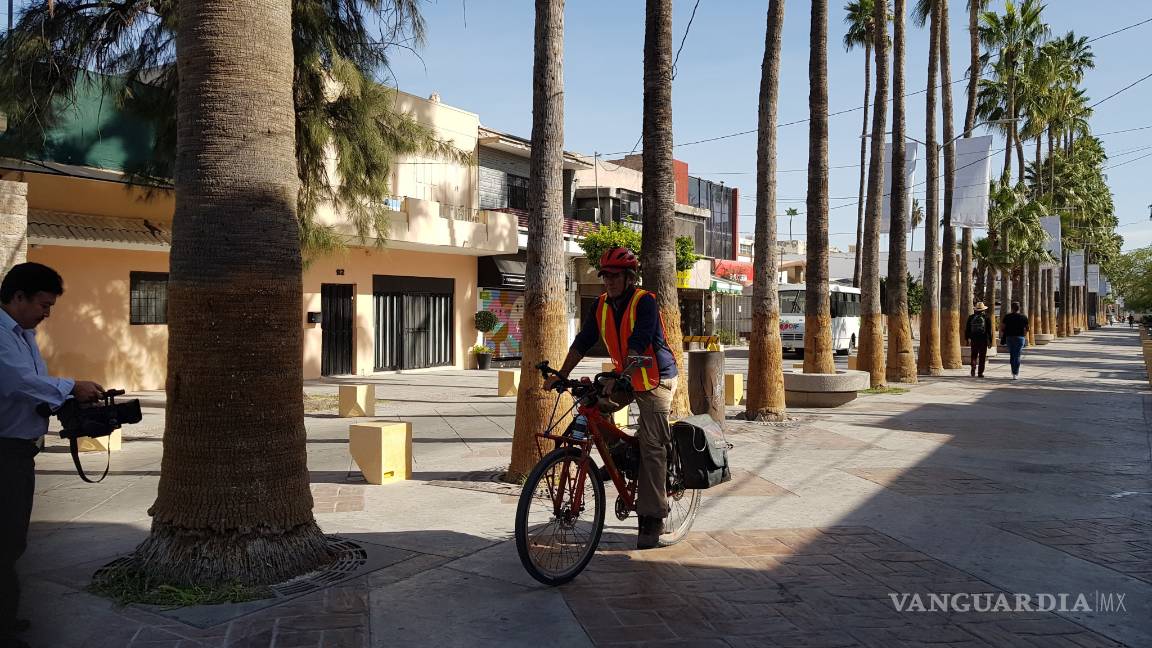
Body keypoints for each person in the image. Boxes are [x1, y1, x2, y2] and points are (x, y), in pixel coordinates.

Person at [0, 263, 103, 647]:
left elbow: (31, 390)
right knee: (5, 541)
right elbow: (18, 382)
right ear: (18, 297)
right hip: (4, 453)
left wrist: (70, 404)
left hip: (18, 453)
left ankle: (6, 617)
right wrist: (71, 387)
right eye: (43, 304)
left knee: (11, 541)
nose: (47, 313)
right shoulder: (2, 335)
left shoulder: (22, 335)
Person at [548, 247, 678, 549]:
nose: (609, 282)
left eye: (615, 276)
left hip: (656, 377)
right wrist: (560, 374)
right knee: (592, 408)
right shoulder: (601, 305)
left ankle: (652, 517)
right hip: (625, 375)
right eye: (605, 276)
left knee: (652, 446)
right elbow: (584, 340)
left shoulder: (644, 302)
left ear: (630, 277)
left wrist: (623, 374)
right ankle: (621, 456)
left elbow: (640, 339)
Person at [1000, 301, 1030, 380]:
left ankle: (1013, 371)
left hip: (1009, 338)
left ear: (1012, 308)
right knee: (1017, 355)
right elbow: (1027, 328)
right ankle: (1015, 372)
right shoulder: (1024, 317)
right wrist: (1023, 335)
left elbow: (1002, 328)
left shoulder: (1007, 316)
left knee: (1012, 354)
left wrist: (1007, 331)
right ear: (1019, 308)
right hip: (1020, 338)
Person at [964, 302, 993, 378]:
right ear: (983, 310)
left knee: (974, 355)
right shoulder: (987, 318)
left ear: (975, 309)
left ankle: (973, 367)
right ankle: (980, 373)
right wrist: (990, 341)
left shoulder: (971, 317)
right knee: (982, 357)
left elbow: (967, 329)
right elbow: (989, 331)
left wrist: (967, 339)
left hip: (974, 339)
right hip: (983, 340)